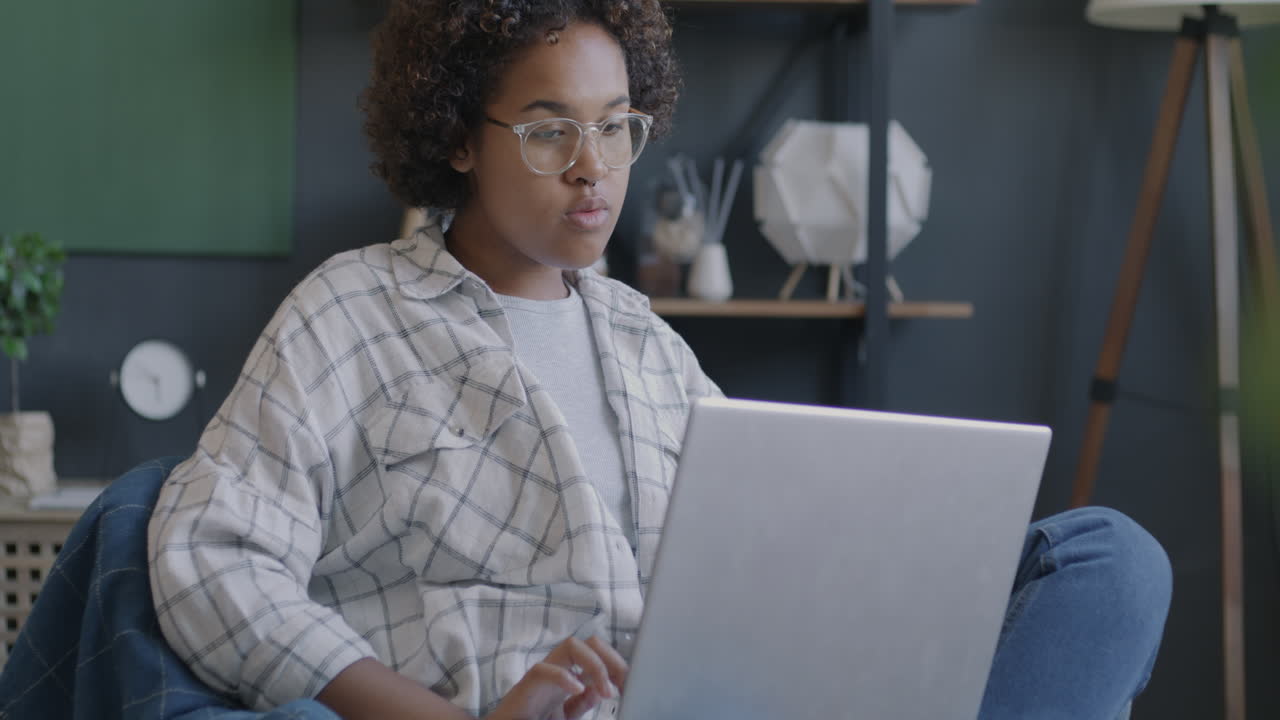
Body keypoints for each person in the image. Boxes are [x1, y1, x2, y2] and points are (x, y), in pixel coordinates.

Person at [147, 2, 1173, 719]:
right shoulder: (352, 311)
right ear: (460, 135)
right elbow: (211, 558)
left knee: (1109, 559)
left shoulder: (649, 346)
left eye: (617, 128)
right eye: (551, 133)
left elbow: (770, 571)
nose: (595, 170)